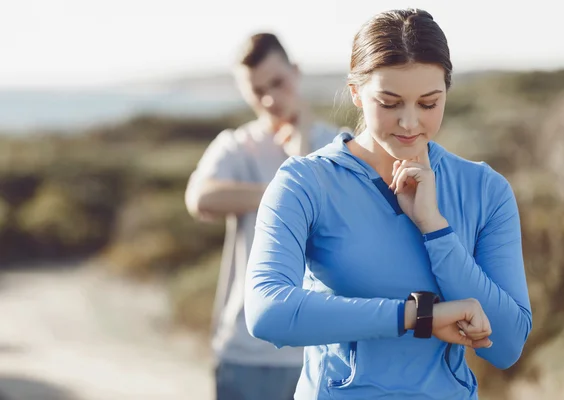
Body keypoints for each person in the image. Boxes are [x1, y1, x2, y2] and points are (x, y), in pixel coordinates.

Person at [244, 9, 532, 400]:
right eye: (390, 102)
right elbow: (267, 311)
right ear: (356, 93)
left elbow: (507, 344)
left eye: (428, 103)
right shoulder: (304, 183)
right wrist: (417, 317)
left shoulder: (485, 190)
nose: (410, 123)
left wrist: (436, 229)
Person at [185, 32, 341, 400]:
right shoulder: (236, 146)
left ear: (296, 72)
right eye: (257, 90)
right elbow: (200, 199)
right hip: (247, 352)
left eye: (278, 82)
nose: (270, 98)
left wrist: (302, 141)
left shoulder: (340, 144)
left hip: (325, 349)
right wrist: (279, 191)